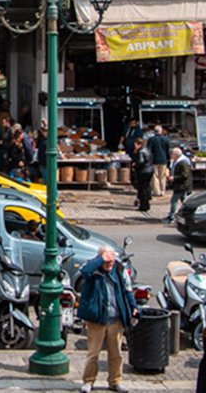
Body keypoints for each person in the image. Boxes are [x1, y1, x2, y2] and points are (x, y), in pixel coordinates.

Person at [76, 245, 137, 393]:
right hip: (97, 319)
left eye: (112, 260)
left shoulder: (120, 270)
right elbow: (85, 271)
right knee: (93, 354)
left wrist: (133, 307)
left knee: (116, 354)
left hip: (115, 319)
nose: (109, 264)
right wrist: (101, 260)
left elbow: (128, 290)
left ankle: (115, 381)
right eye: (106, 260)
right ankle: (88, 381)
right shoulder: (94, 269)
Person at [165, 147, 193, 223]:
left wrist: (174, 178)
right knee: (184, 201)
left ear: (176, 155)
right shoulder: (176, 161)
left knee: (174, 201)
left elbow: (185, 175)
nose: (171, 155)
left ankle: (172, 217)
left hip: (182, 185)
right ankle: (185, 215)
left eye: (172, 154)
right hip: (179, 185)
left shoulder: (183, 162)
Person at [148, 126, 172, 197]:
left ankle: (156, 191)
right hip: (163, 160)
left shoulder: (151, 140)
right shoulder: (166, 139)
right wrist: (169, 159)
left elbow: (149, 151)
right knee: (162, 176)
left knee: (155, 176)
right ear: (161, 131)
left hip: (154, 160)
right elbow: (168, 151)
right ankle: (162, 190)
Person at [132, 137, 154, 213]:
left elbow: (141, 161)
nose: (134, 146)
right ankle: (147, 204)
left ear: (138, 144)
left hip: (143, 171)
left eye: (135, 144)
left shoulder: (141, 151)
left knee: (142, 189)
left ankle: (143, 205)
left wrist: (135, 166)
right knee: (147, 187)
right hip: (150, 170)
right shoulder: (147, 150)